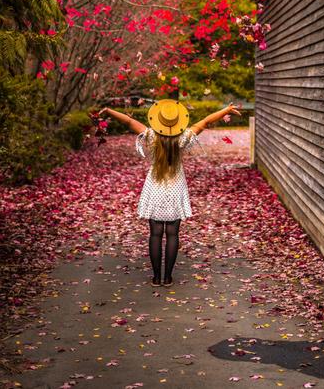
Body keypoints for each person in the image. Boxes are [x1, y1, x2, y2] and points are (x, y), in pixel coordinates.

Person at [99, 98, 241, 286]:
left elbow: (128, 121)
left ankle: (157, 277)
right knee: (173, 233)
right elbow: (206, 121)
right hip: (176, 187)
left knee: (155, 233)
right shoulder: (184, 138)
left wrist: (109, 111)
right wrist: (226, 110)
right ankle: (168, 278)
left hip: (155, 187)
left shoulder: (151, 136)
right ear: (178, 122)